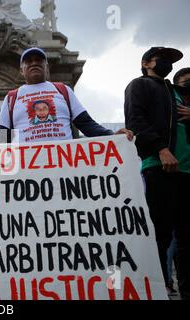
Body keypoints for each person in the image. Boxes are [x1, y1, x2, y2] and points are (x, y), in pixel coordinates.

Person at [124, 47, 190, 300]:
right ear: (145, 63)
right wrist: (161, 149)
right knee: (160, 234)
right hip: (160, 166)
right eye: (161, 59)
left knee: (186, 236)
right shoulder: (140, 86)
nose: (166, 63)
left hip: (186, 170)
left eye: (170, 61)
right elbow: (136, 120)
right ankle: (158, 288)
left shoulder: (177, 92)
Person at [0, 47, 133, 144]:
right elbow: (2, 137)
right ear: (21, 70)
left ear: (46, 67)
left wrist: (112, 136)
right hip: (27, 167)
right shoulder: (11, 97)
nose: (34, 63)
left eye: (39, 60)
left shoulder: (63, 90)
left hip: (62, 167)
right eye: (29, 61)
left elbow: (85, 123)